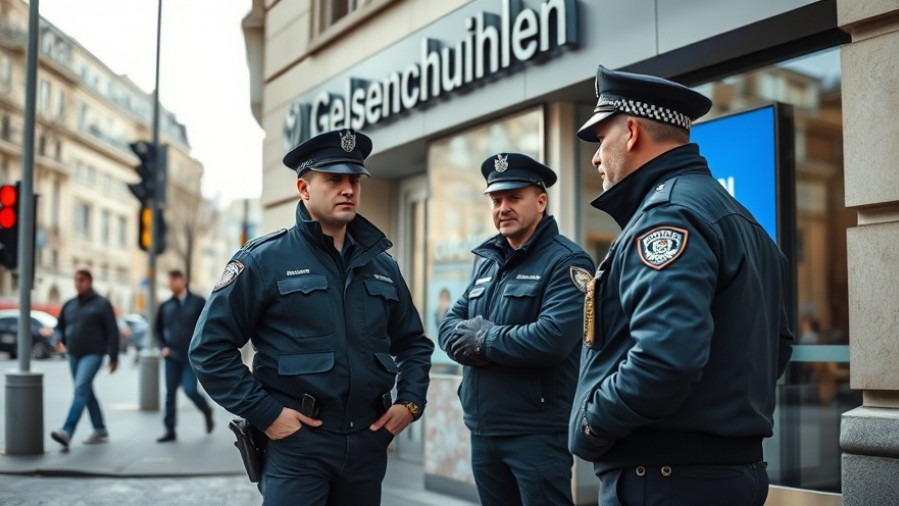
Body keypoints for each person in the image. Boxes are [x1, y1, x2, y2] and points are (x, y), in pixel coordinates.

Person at [568, 65, 794, 506]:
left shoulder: (668, 216)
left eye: (600, 138)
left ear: (631, 132)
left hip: (665, 481)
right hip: (721, 475)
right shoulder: (738, 218)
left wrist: (592, 423)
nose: (595, 158)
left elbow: (665, 357)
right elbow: (778, 346)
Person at [189, 129, 433, 506]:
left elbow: (413, 344)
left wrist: (410, 403)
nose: (348, 189)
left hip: (367, 443)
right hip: (297, 446)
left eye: (354, 180)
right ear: (303, 188)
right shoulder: (263, 260)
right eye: (334, 180)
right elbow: (209, 350)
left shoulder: (382, 266)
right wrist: (267, 414)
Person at [438, 153, 595, 506]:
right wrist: (476, 340)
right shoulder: (488, 263)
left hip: (536, 433)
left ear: (540, 201)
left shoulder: (567, 262)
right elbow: (449, 324)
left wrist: (485, 340)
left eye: (514, 198)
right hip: (483, 428)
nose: (503, 208)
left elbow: (552, 338)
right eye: (496, 200)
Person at [50, 269, 119, 450]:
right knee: (86, 392)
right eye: (76, 280)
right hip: (73, 354)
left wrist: (114, 357)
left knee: (80, 389)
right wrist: (57, 338)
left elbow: (112, 331)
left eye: (81, 280)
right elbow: (59, 327)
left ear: (89, 281)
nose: (78, 284)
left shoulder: (102, 304)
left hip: (94, 354)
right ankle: (100, 429)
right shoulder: (69, 304)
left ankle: (67, 431)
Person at [155, 269, 213, 443]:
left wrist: (203, 346)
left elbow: (208, 323)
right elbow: (157, 330)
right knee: (170, 394)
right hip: (171, 356)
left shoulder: (198, 302)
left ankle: (206, 409)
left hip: (191, 356)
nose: (172, 283)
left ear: (183, 280)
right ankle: (170, 430)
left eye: (175, 279)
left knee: (190, 390)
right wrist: (163, 347)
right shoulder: (165, 306)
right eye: (170, 280)